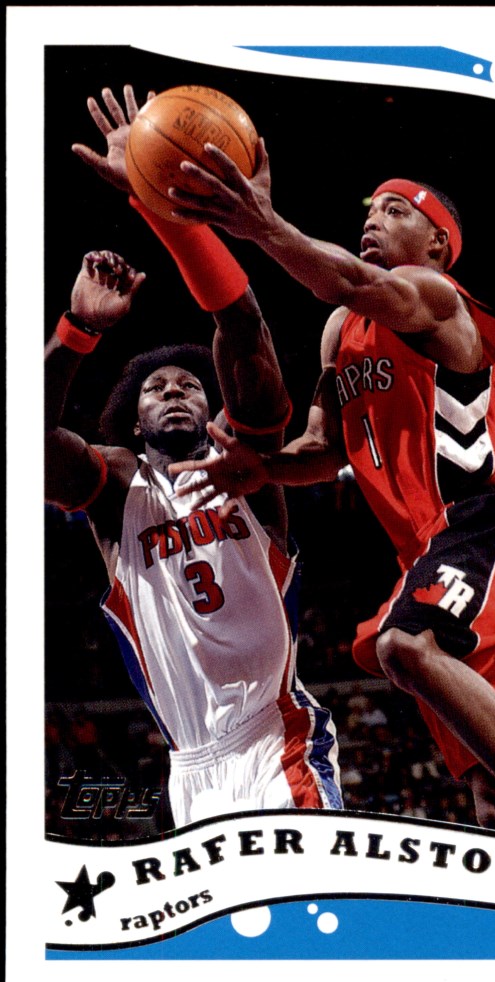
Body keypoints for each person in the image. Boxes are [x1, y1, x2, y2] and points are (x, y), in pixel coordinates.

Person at [163, 138, 495, 850]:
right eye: (370, 209)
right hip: (426, 557)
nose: (372, 218)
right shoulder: (341, 333)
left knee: (403, 644)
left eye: (395, 210)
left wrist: (263, 226)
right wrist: (262, 468)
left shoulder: (437, 298)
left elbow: (346, 281)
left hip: (487, 525)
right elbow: (323, 451)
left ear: (438, 243)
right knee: (494, 800)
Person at [45, 88, 343, 828]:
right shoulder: (117, 488)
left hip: (278, 740)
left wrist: (157, 203)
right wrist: (77, 331)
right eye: (157, 388)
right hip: (189, 768)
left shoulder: (248, 468)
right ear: (132, 420)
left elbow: (241, 323)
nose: (176, 390)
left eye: (189, 385)